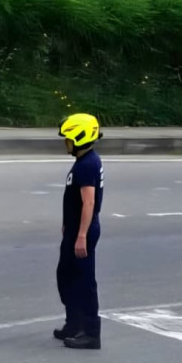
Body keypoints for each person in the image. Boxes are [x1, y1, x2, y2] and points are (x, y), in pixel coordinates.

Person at [55, 112, 104, 349]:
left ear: (79, 138)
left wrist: (81, 235)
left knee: (84, 281)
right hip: (74, 229)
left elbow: (89, 202)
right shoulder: (85, 161)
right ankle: (74, 323)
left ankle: (91, 333)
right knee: (66, 276)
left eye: (68, 138)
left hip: (82, 231)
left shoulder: (87, 165)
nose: (65, 143)